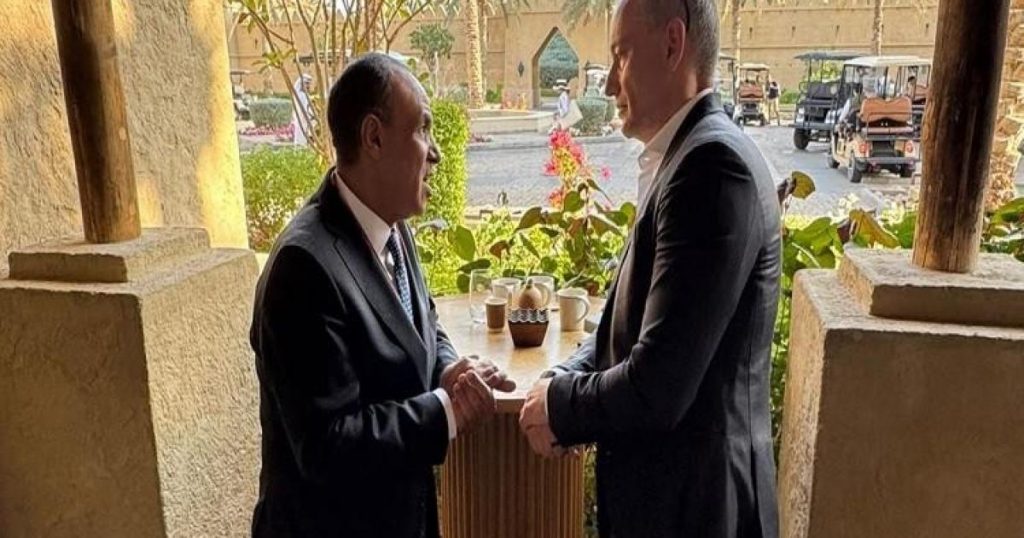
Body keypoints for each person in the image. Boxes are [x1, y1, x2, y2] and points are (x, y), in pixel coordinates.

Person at [518, 0, 781, 536]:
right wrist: (561, 377)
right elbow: (630, 325)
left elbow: (658, 386)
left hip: (698, 512)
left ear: (672, 44)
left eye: (621, 56)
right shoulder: (686, 155)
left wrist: (559, 406)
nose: (609, 84)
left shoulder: (711, 167)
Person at [251, 53, 515, 538]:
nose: (436, 153)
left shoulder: (390, 224)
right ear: (373, 137)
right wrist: (447, 410)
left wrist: (447, 369)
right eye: (423, 130)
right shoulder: (303, 267)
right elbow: (329, 446)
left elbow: (423, 322)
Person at [291, 73, 313, 146]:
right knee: (301, 135)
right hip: (302, 119)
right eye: (306, 83)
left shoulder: (305, 95)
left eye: (308, 84)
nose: (308, 86)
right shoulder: (301, 95)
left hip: (306, 120)